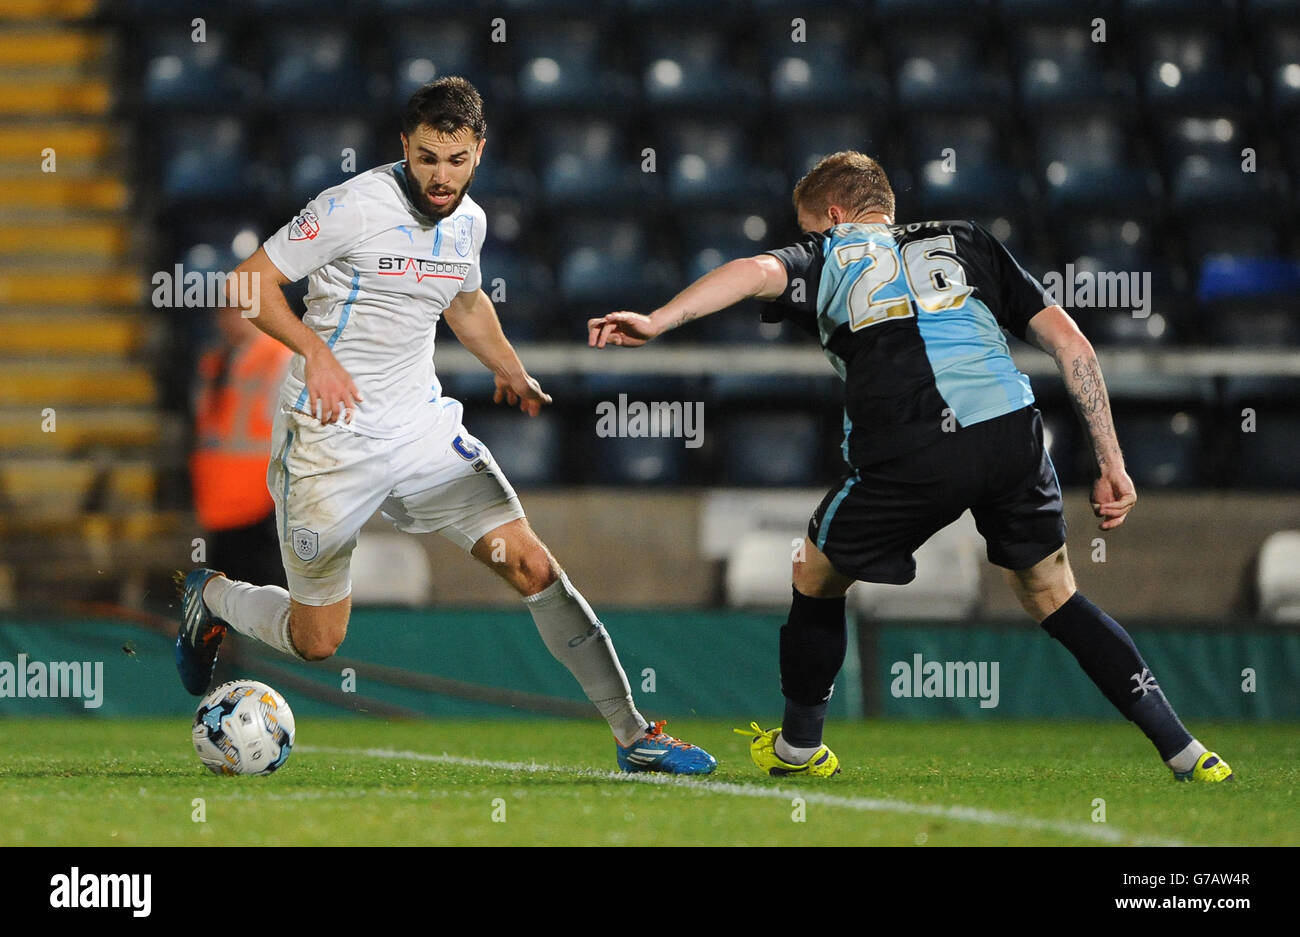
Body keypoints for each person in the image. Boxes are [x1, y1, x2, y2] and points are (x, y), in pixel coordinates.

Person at [588, 150, 1231, 783]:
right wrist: (1112, 461)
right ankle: (1185, 751)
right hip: (1011, 427)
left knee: (816, 573)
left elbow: (751, 271)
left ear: (835, 214)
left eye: (808, 226)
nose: (805, 238)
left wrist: (659, 319)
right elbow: (1070, 342)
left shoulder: (830, 251)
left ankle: (800, 747)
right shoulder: (968, 239)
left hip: (911, 439)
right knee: (1052, 592)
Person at [175, 77, 714, 775]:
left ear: (479, 152)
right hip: (331, 436)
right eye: (427, 158)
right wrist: (317, 354)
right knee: (317, 639)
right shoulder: (352, 205)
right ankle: (212, 595)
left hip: (421, 428)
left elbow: (464, 302)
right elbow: (246, 284)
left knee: (532, 563)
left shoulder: (469, 223)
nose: (440, 176)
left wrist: (510, 367)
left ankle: (634, 732)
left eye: (456, 161)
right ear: (405, 145)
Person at [190, 303, 292, 588]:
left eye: (238, 310)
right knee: (225, 593)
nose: (230, 320)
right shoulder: (213, 360)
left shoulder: (280, 359)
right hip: (219, 498)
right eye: (224, 312)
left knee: (266, 590)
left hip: (262, 499)